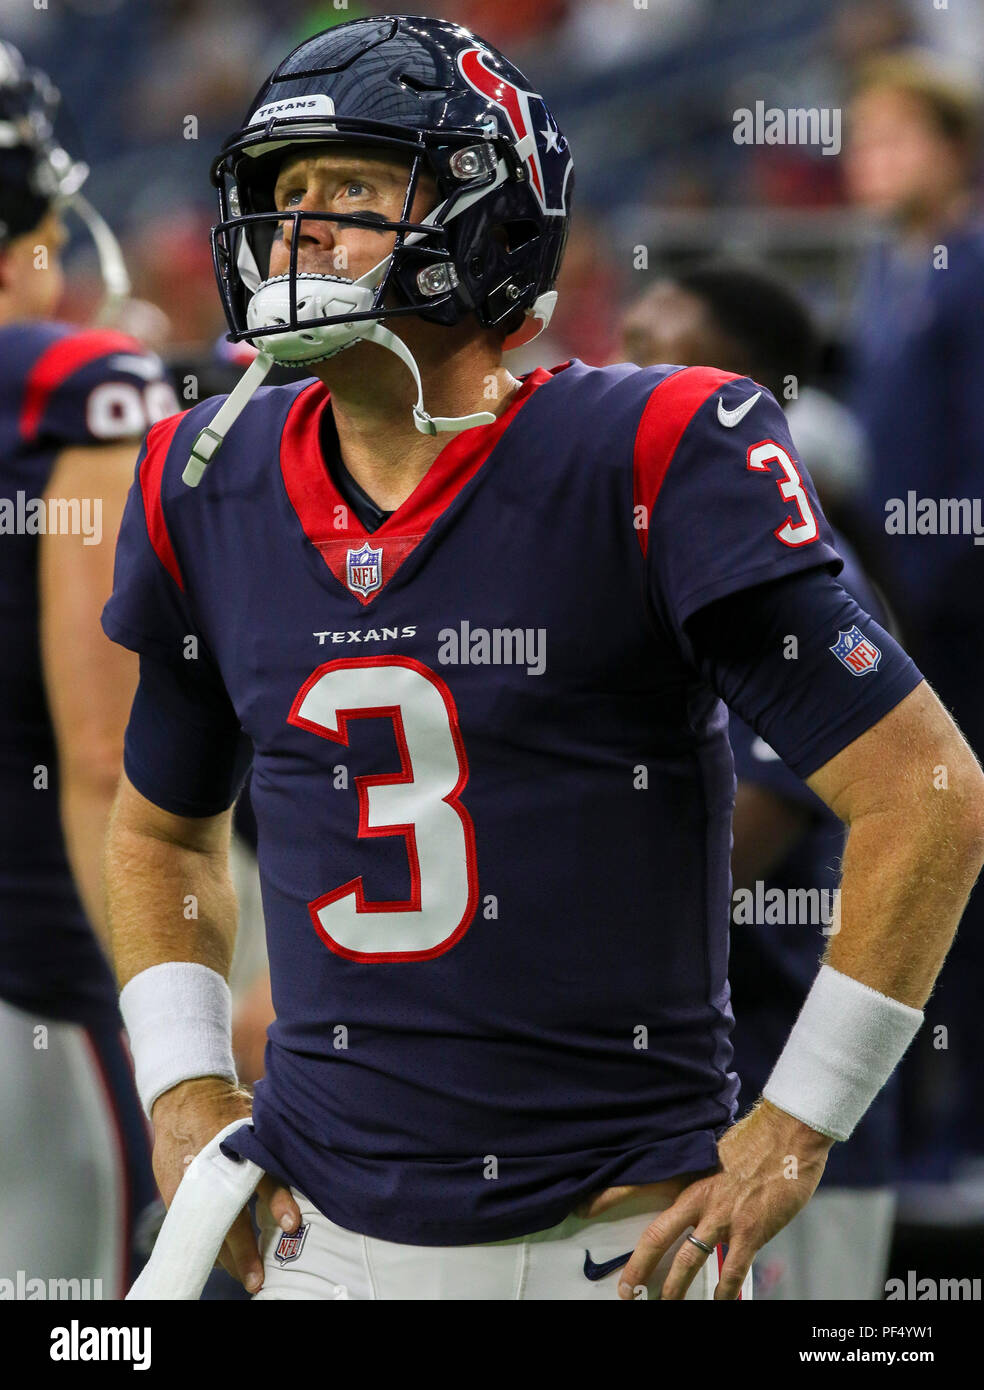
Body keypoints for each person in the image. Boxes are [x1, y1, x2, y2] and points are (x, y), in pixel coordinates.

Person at [103, 17, 984, 1302]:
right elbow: (159, 835)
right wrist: (184, 1086)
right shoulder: (203, 476)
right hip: (316, 1245)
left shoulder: (654, 448)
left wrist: (799, 1126)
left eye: (352, 189)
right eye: (284, 195)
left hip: (600, 1250)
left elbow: (929, 792)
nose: (300, 231)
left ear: (493, 221)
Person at [622, 260, 901, 1299]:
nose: (620, 370)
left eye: (652, 351)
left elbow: (767, 816)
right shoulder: (648, 546)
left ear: (741, 386)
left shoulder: (791, 563)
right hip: (687, 1102)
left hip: (791, 1097)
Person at [0, 42, 176, 1296]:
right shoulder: (83, 388)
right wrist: (174, 1027)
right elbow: (105, 753)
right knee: (79, 1330)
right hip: (30, 987)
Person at [844, 51, 984, 1174]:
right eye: (863, 141)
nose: (871, 163)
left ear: (953, 151)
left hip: (962, 615)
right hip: (913, 606)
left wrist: (936, 589)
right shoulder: (889, 271)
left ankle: (966, 1116)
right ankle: (939, 1107)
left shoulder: (972, 266)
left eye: (897, 141)